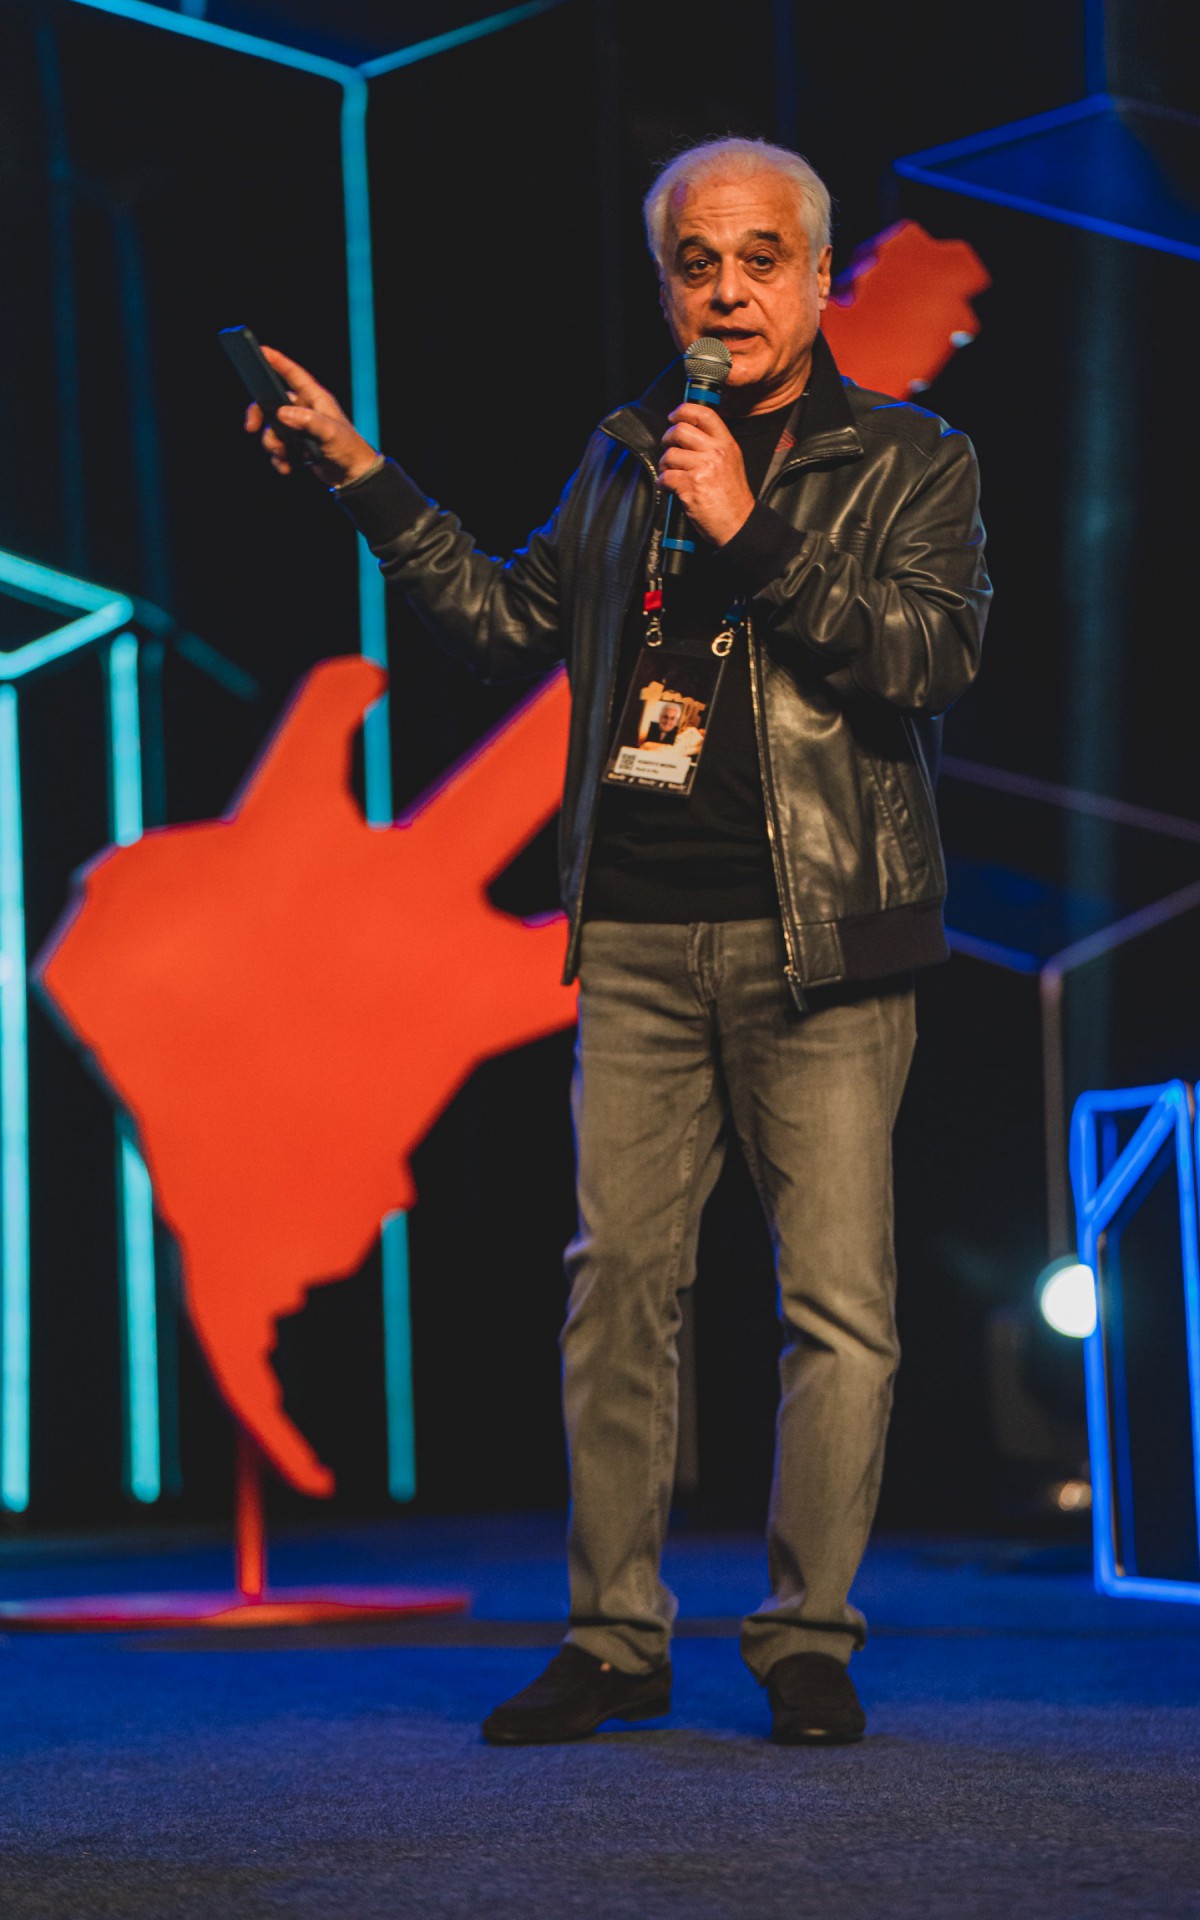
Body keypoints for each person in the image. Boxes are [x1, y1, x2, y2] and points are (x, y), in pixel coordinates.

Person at [247, 135, 990, 1746]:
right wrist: (365, 478)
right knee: (615, 1294)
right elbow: (513, 619)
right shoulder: (624, 450)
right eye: (696, 263)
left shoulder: (908, 456)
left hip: (826, 940)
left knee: (837, 1306)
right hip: (642, 935)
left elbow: (925, 662)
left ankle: (805, 1641)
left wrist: (751, 530)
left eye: (760, 258)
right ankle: (615, 1639)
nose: (727, 291)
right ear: (667, 281)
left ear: (812, 271)